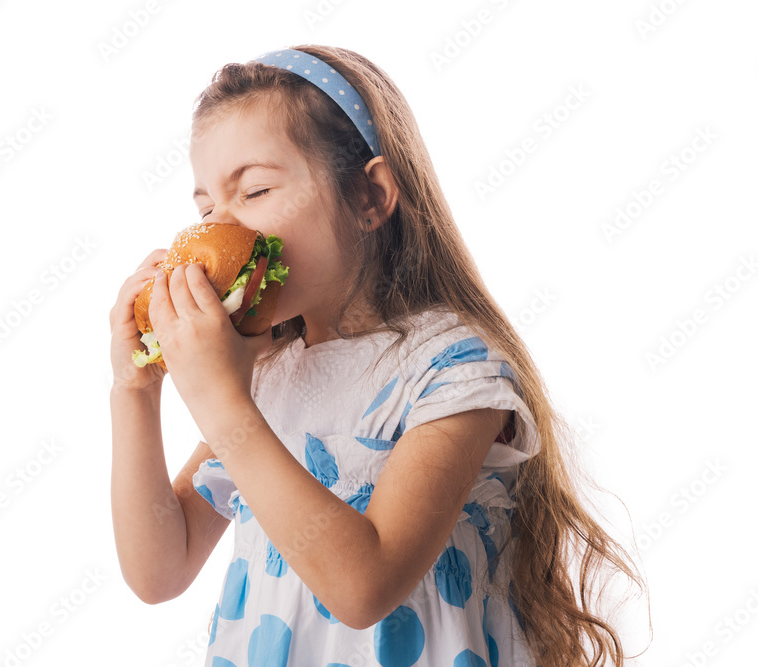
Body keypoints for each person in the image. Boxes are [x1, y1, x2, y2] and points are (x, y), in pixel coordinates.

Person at [109, 44, 649, 667]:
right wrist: (134, 391)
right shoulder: (268, 381)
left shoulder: (454, 370)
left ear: (369, 197)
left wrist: (220, 403)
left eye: (254, 190)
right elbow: (159, 571)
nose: (220, 228)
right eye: (205, 208)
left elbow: (363, 587)